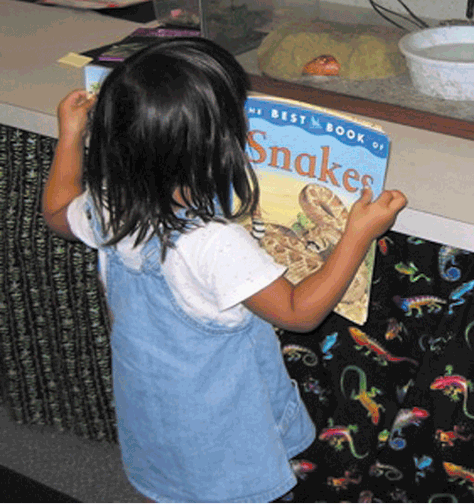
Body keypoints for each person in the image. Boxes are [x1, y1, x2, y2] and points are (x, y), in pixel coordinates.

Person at [42, 37, 407, 503]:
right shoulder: (214, 242)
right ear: (217, 145)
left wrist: (71, 134)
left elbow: (56, 213)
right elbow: (299, 312)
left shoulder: (110, 203)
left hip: (155, 414)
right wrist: (357, 233)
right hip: (222, 433)